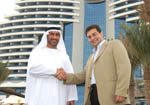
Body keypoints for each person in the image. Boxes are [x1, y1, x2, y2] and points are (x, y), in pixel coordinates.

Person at [55, 24, 131, 105]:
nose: (92, 38)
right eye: (89, 37)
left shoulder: (114, 44)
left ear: (101, 34)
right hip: (93, 96)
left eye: (94, 34)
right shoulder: (91, 57)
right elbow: (82, 76)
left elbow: (125, 68)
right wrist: (65, 76)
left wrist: (121, 91)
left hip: (112, 97)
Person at [25, 27, 78, 105]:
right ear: (46, 36)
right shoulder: (37, 52)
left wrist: (71, 96)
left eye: (57, 35)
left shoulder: (64, 56)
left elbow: (70, 75)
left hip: (60, 96)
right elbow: (33, 69)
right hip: (40, 96)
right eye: (52, 34)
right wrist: (55, 71)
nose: (54, 37)